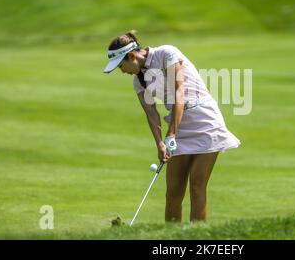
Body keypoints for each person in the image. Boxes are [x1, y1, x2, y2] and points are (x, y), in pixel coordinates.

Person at [103, 30, 240, 222]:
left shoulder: (167, 53)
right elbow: (151, 114)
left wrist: (171, 135)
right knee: (173, 192)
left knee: (197, 186)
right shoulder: (138, 82)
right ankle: (171, 238)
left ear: (132, 56)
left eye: (121, 66)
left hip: (205, 122)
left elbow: (179, 95)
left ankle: (198, 237)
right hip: (177, 129)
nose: (122, 71)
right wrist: (160, 143)